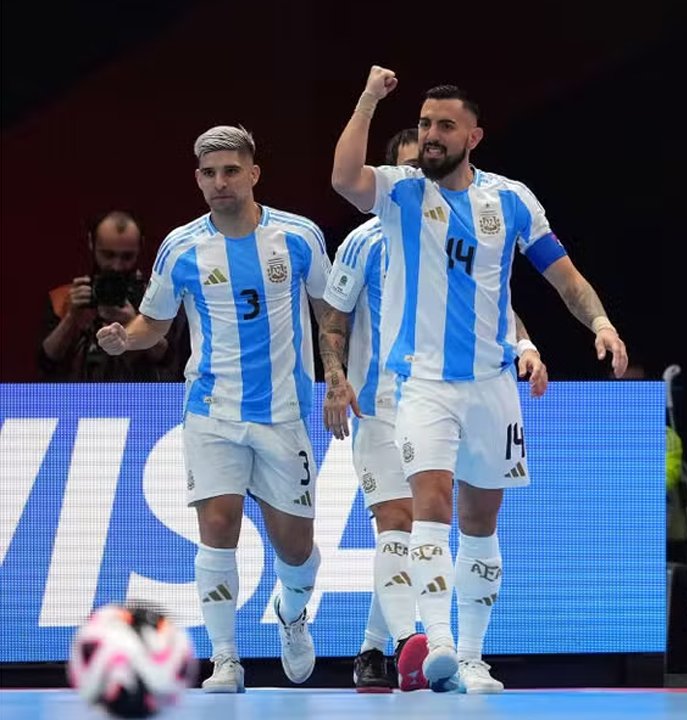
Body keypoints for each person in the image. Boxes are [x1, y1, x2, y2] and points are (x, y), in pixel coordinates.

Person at [332, 71, 628, 693]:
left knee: (482, 521)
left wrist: (600, 323)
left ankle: (470, 656)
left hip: (492, 386)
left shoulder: (511, 201)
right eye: (423, 125)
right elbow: (343, 178)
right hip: (422, 384)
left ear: (474, 135)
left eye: (444, 126)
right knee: (429, 504)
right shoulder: (400, 194)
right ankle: (437, 642)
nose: (431, 136)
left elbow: (564, 277)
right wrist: (367, 100)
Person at [97, 125, 335, 693]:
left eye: (231, 170)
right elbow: (153, 323)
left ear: (253, 174)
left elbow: (331, 314)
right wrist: (123, 339)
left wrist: (340, 380)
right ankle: (224, 657)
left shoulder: (299, 237)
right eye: (209, 173)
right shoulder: (181, 247)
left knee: (296, 549)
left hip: (286, 414)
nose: (220, 182)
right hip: (212, 410)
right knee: (218, 524)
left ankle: (292, 614)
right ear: (198, 179)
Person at [321, 127, 548, 692]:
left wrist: (525, 346)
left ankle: (386, 645)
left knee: (439, 520)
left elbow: (491, 306)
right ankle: (410, 647)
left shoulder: (461, 228)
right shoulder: (364, 241)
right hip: (380, 403)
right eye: (402, 173)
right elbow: (334, 318)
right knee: (400, 520)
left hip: (457, 395)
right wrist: (336, 380)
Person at [39, 211, 185, 381]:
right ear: (91, 243)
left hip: (141, 402)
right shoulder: (65, 298)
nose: (116, 266)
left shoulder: (160, 298)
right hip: (76, 402)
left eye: (127, 256)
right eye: (108, 255)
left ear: (140, 247)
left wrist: (136, 325)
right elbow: (46, 362)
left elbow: (172, 361)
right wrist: (71, 319)